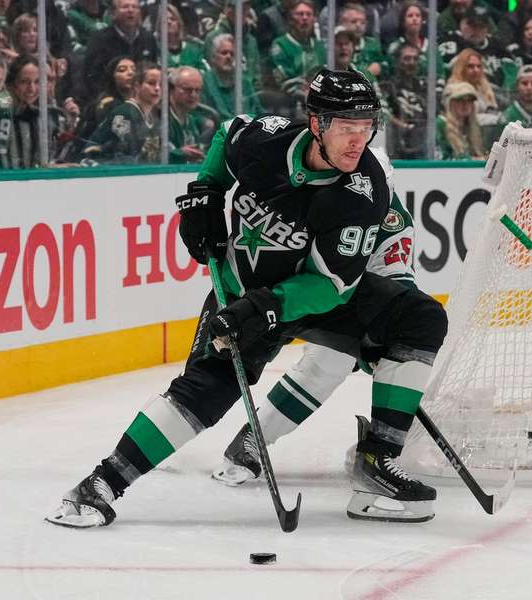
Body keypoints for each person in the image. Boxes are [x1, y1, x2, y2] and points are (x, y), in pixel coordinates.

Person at [45, 68, 447, 528]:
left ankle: (377, 462)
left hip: (315, 297)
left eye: (366, 128)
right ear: (316, 124)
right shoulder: (266, 140)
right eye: (346, 128)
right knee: (204, 391)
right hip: (239, 293)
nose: (359, 141)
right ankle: (100, 484)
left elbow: (332, 285)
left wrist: (272, 307)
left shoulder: (363, 192)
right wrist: (206, 191)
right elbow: (225, 133)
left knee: (420, 318)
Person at [211, 191, 417, 488]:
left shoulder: (394, 222)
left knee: (334, 359)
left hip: (337, 305)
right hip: (279, 294)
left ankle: (253, 439)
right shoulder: (311, 188)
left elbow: (397, 286)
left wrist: (382, 339)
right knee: (211, 373)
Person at [82, 62, 162, 164]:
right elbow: (125, 153)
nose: (157, 88)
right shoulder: (125, 113)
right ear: (137, 86)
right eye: (151, 83)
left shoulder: (153, 116)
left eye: (161, 84)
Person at [436, 80, 485, 160]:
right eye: (459, 100)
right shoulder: (439, 125)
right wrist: (474, 160)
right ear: (448, 103)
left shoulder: (472, 128)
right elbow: (441, 158)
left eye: (469, 100)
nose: (465, 104)